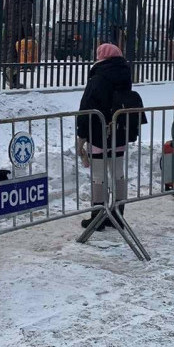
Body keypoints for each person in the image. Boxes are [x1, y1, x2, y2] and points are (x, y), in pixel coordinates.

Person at [75, 44, 132, 228]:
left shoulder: (98, 77)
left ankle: (98, 216)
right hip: (120, 132)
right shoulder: (125, 75)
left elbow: (86, 108)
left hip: (99, 133)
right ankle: (118, 214)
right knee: (118, 173)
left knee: (98, 175)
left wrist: (81, 136)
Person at [1, 0, 35, 89]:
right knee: (16, 57)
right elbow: (25, 19)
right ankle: (12, 80)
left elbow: (4, 16)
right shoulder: (26, 1)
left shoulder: (10, 0)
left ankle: (9, 76)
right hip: (19, 32)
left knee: (9, 55)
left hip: (8, 30)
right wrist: (29, 35)